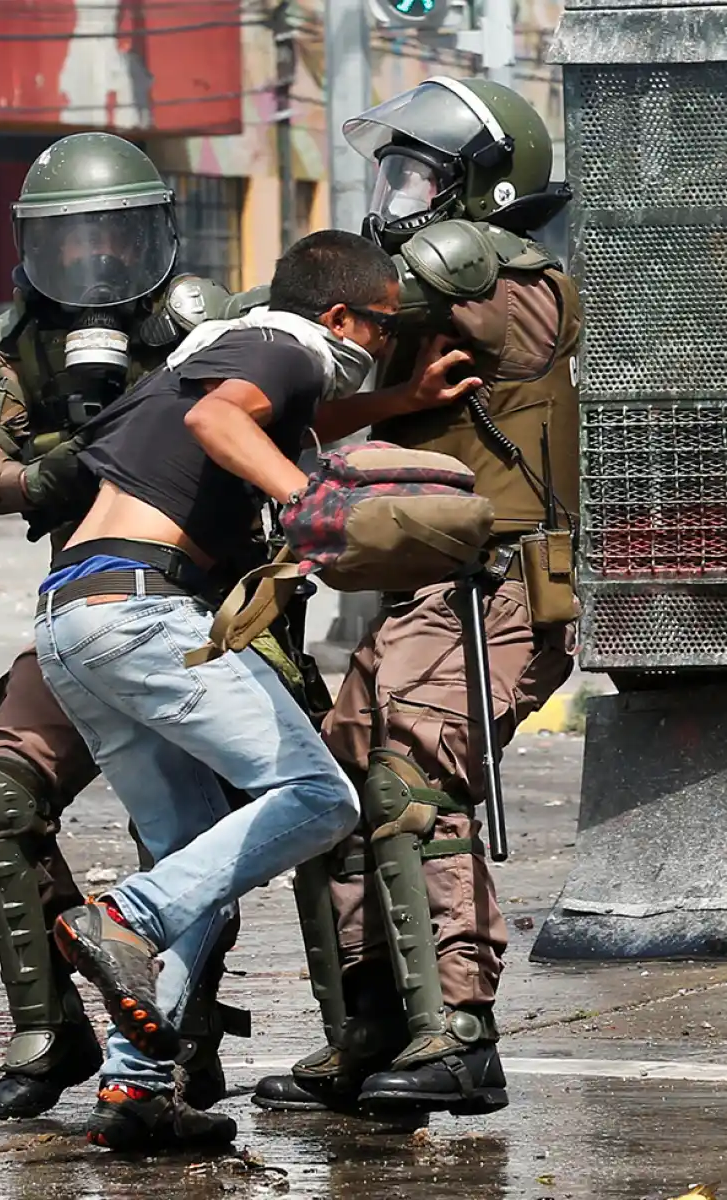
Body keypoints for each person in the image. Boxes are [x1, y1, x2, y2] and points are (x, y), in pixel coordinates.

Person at [31, 229, 471, 1150]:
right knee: (318, 797)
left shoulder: (221, 350)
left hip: (76, 617)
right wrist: (315, 505)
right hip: (144, 612)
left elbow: (263, 417)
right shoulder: (285, 345)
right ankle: (123, 916)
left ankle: (138, 1089)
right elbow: (222, 422)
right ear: (343, 315)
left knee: (198, 866)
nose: (380, 348)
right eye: (385, 332)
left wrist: (399, 399)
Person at [253, 75, 582, 1118]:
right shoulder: (410, 305)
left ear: (475, 188)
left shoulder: (514, 279)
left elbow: (526, 328)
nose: (390, 192)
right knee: (334, 793)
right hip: (418, 593)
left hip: (501, 591)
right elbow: (322, 377)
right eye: (386, 169)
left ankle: (461, 1032)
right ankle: (369, 1030)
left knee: (411, 783)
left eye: (413, 173)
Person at [0, 130, 254, 1124]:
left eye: (112, 236)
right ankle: (48, 1027)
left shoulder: (202, 323)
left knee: (304, 800)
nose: (92, 261)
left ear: (152, 235)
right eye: (68, 241)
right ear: (35, 245)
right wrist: (55, 467)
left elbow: (269, 430)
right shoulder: (12, 338)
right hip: (88, 616)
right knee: (2, 787)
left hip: (212, 610)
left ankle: (323, 1035)